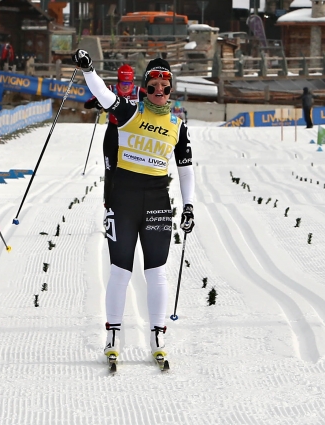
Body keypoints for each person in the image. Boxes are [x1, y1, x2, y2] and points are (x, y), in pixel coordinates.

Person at [72, 50, 195, 363]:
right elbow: (102, 93)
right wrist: (88, 69)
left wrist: (189, 206)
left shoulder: (178, 127)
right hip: (124, 200)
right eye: (153, 86)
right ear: (144, 86)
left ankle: (157, 336)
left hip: (157, 202)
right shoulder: (128, 111)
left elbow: (185, 170)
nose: (158, 92)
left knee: (156, 273)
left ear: (171, 90)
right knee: (119, 271)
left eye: (165, 87)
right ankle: (112, 335)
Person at [83, 64, 146, 207]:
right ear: (118, 81)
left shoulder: (138, 92)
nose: (125, 87)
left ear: (132, 81)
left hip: (131, 136)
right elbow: (87, 104)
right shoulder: (110, 90)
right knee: (110, 170)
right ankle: (109, 204)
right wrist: (97, 102)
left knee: (132, 170)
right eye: (122, 83)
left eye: (128, 83)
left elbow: (154, 101)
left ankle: (131, 203)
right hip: (113, 132)